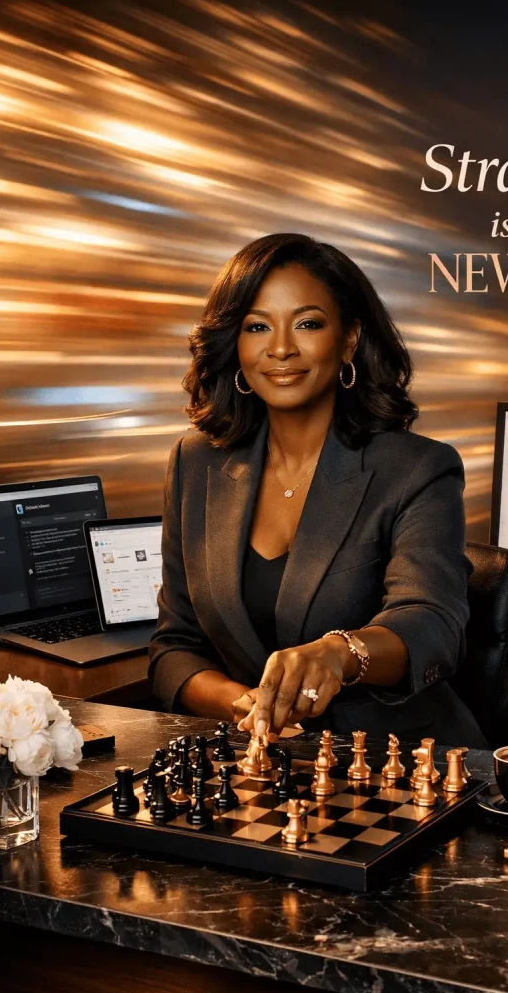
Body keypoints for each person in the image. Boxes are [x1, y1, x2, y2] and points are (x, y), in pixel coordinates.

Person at [148, 232, 486, 748]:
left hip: (395, 758)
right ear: (234, 344)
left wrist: (339, 653)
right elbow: (174, 648)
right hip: (259, 758)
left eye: (307, 323)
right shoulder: (194, 464)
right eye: (257, 326)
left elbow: (432, 623)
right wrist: (248, 704)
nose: (281, 348)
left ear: (349, 339)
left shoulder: (419, 468)